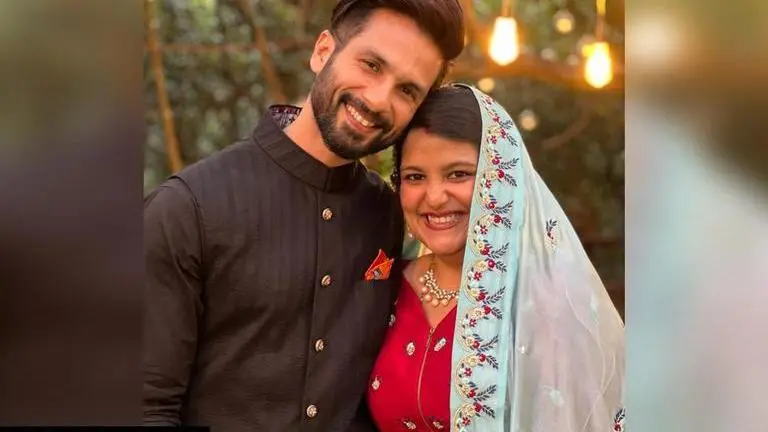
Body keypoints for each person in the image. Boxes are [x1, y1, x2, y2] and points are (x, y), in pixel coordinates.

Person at [143, 1, 465, 430]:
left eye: (407, 90)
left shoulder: (387, 212)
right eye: (370, 65)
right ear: (322, 51)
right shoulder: (188, 208)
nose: (377, 99)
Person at [366, 84, 625, 431]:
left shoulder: (546, 300)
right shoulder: (383, 287)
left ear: (500, 178)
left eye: (457, 174)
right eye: (415, 177)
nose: (435, 197)